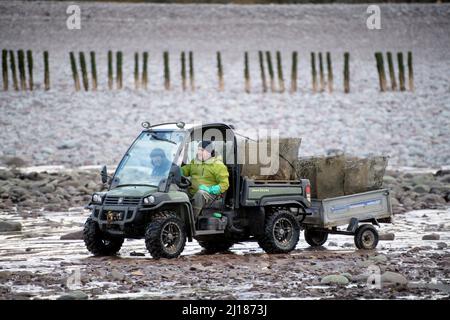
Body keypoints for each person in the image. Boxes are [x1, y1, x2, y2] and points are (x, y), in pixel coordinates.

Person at [181, 141, 229, 219]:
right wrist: (176, 171)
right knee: (175, 190)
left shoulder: (218, 165)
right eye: (198, 150)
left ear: (209, 152)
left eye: (202, 150)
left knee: (200, 194)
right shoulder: (195, 161)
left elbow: (224, 184)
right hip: (192, 191)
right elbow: (185, 170)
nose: (199, 152)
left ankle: (190, 221)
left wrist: (210, 189)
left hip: (210, 195)